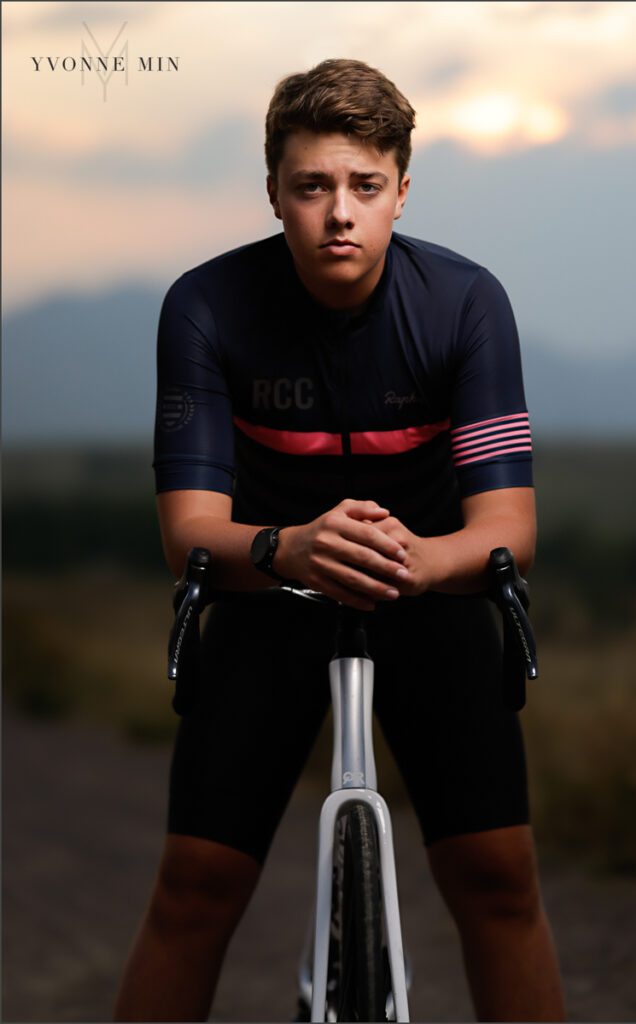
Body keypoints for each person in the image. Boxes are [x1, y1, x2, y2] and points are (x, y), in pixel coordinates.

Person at [114, 58, 565, 1022]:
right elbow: (188, 533)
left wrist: (411, 558)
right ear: (273, 191)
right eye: (312, 186)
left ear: (402, 188)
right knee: (192, 891)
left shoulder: (464, 303)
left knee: (499, 881)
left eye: (364, 186)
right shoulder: (205, 305)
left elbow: (506, 532)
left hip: (428, 597)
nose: (339, 214)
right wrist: (287, 547)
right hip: (264, 594)